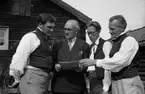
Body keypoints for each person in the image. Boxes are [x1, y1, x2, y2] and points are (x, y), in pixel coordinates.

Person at [79, 15, 145, 94]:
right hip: (115, 82)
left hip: (128, 82)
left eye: (112, 29)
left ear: (122, 28)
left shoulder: (129, 41)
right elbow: (109, 65)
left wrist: (95, 62)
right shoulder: (114, 42)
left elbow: (118, 62)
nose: (110, 32)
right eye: (109, 29)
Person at [9, 13, 56, 94]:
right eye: (49, 27)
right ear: (40, 24)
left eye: (53, 27)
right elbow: (19, 58)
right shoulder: (31, 37)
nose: (51, 30)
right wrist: (16, 78)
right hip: (32, 78)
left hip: (43, 80)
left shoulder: (46, 39)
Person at [52, 19, 90, 94]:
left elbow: (86, 65)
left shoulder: (84, 45)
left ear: (76, 31)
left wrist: (81, 67)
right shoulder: (58, 44)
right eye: (65, 29)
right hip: (60, 85)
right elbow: (52, 61)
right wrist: (55, 66)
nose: (66, 32)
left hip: (77, 85)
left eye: (69, 30)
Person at [86, 21, 111, 94]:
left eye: (92, 33)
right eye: (88, 33)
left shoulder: (105, 44)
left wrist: (106, 86)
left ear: (99, 31)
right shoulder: (90, 47)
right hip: (91, 80)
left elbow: (109, 64)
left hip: (101, 81)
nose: (90, 35)